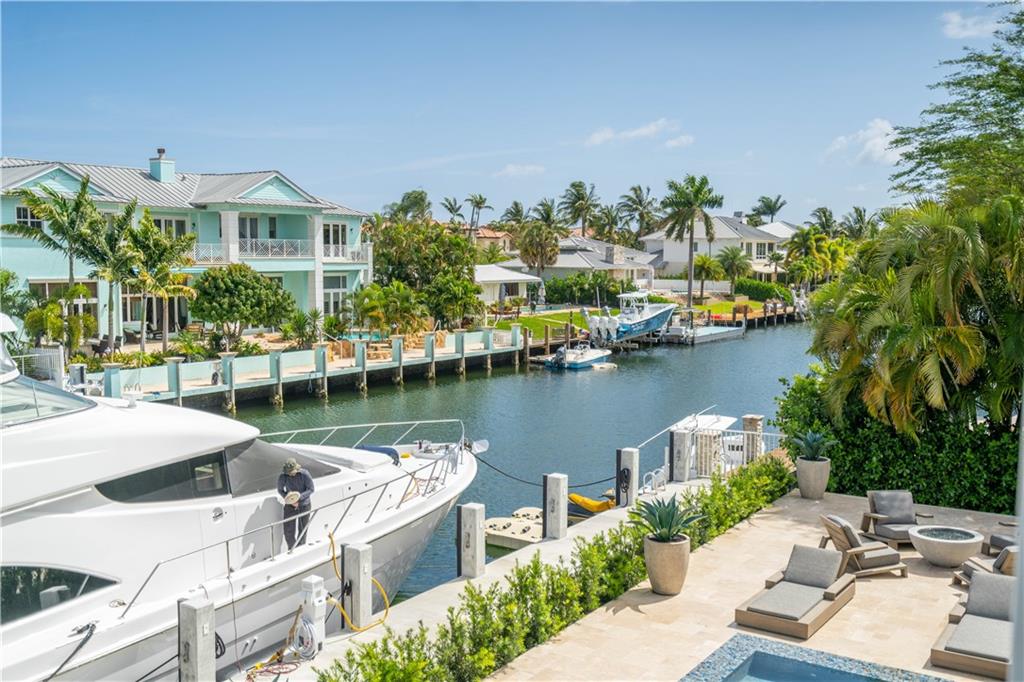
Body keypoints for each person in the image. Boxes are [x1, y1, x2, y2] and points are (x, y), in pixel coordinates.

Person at [277, 457, 314, 550]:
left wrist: (299, 498)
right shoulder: (283, 477)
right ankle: (292, 548)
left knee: (303, 529)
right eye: (288, 472)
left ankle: (300, 549)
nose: (290, 474)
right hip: (290, 504)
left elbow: (311, 489)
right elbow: (280, 490)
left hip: (304, 504)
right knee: (288, 530)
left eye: (291, 472)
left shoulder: (304, 474)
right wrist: (289, 499)